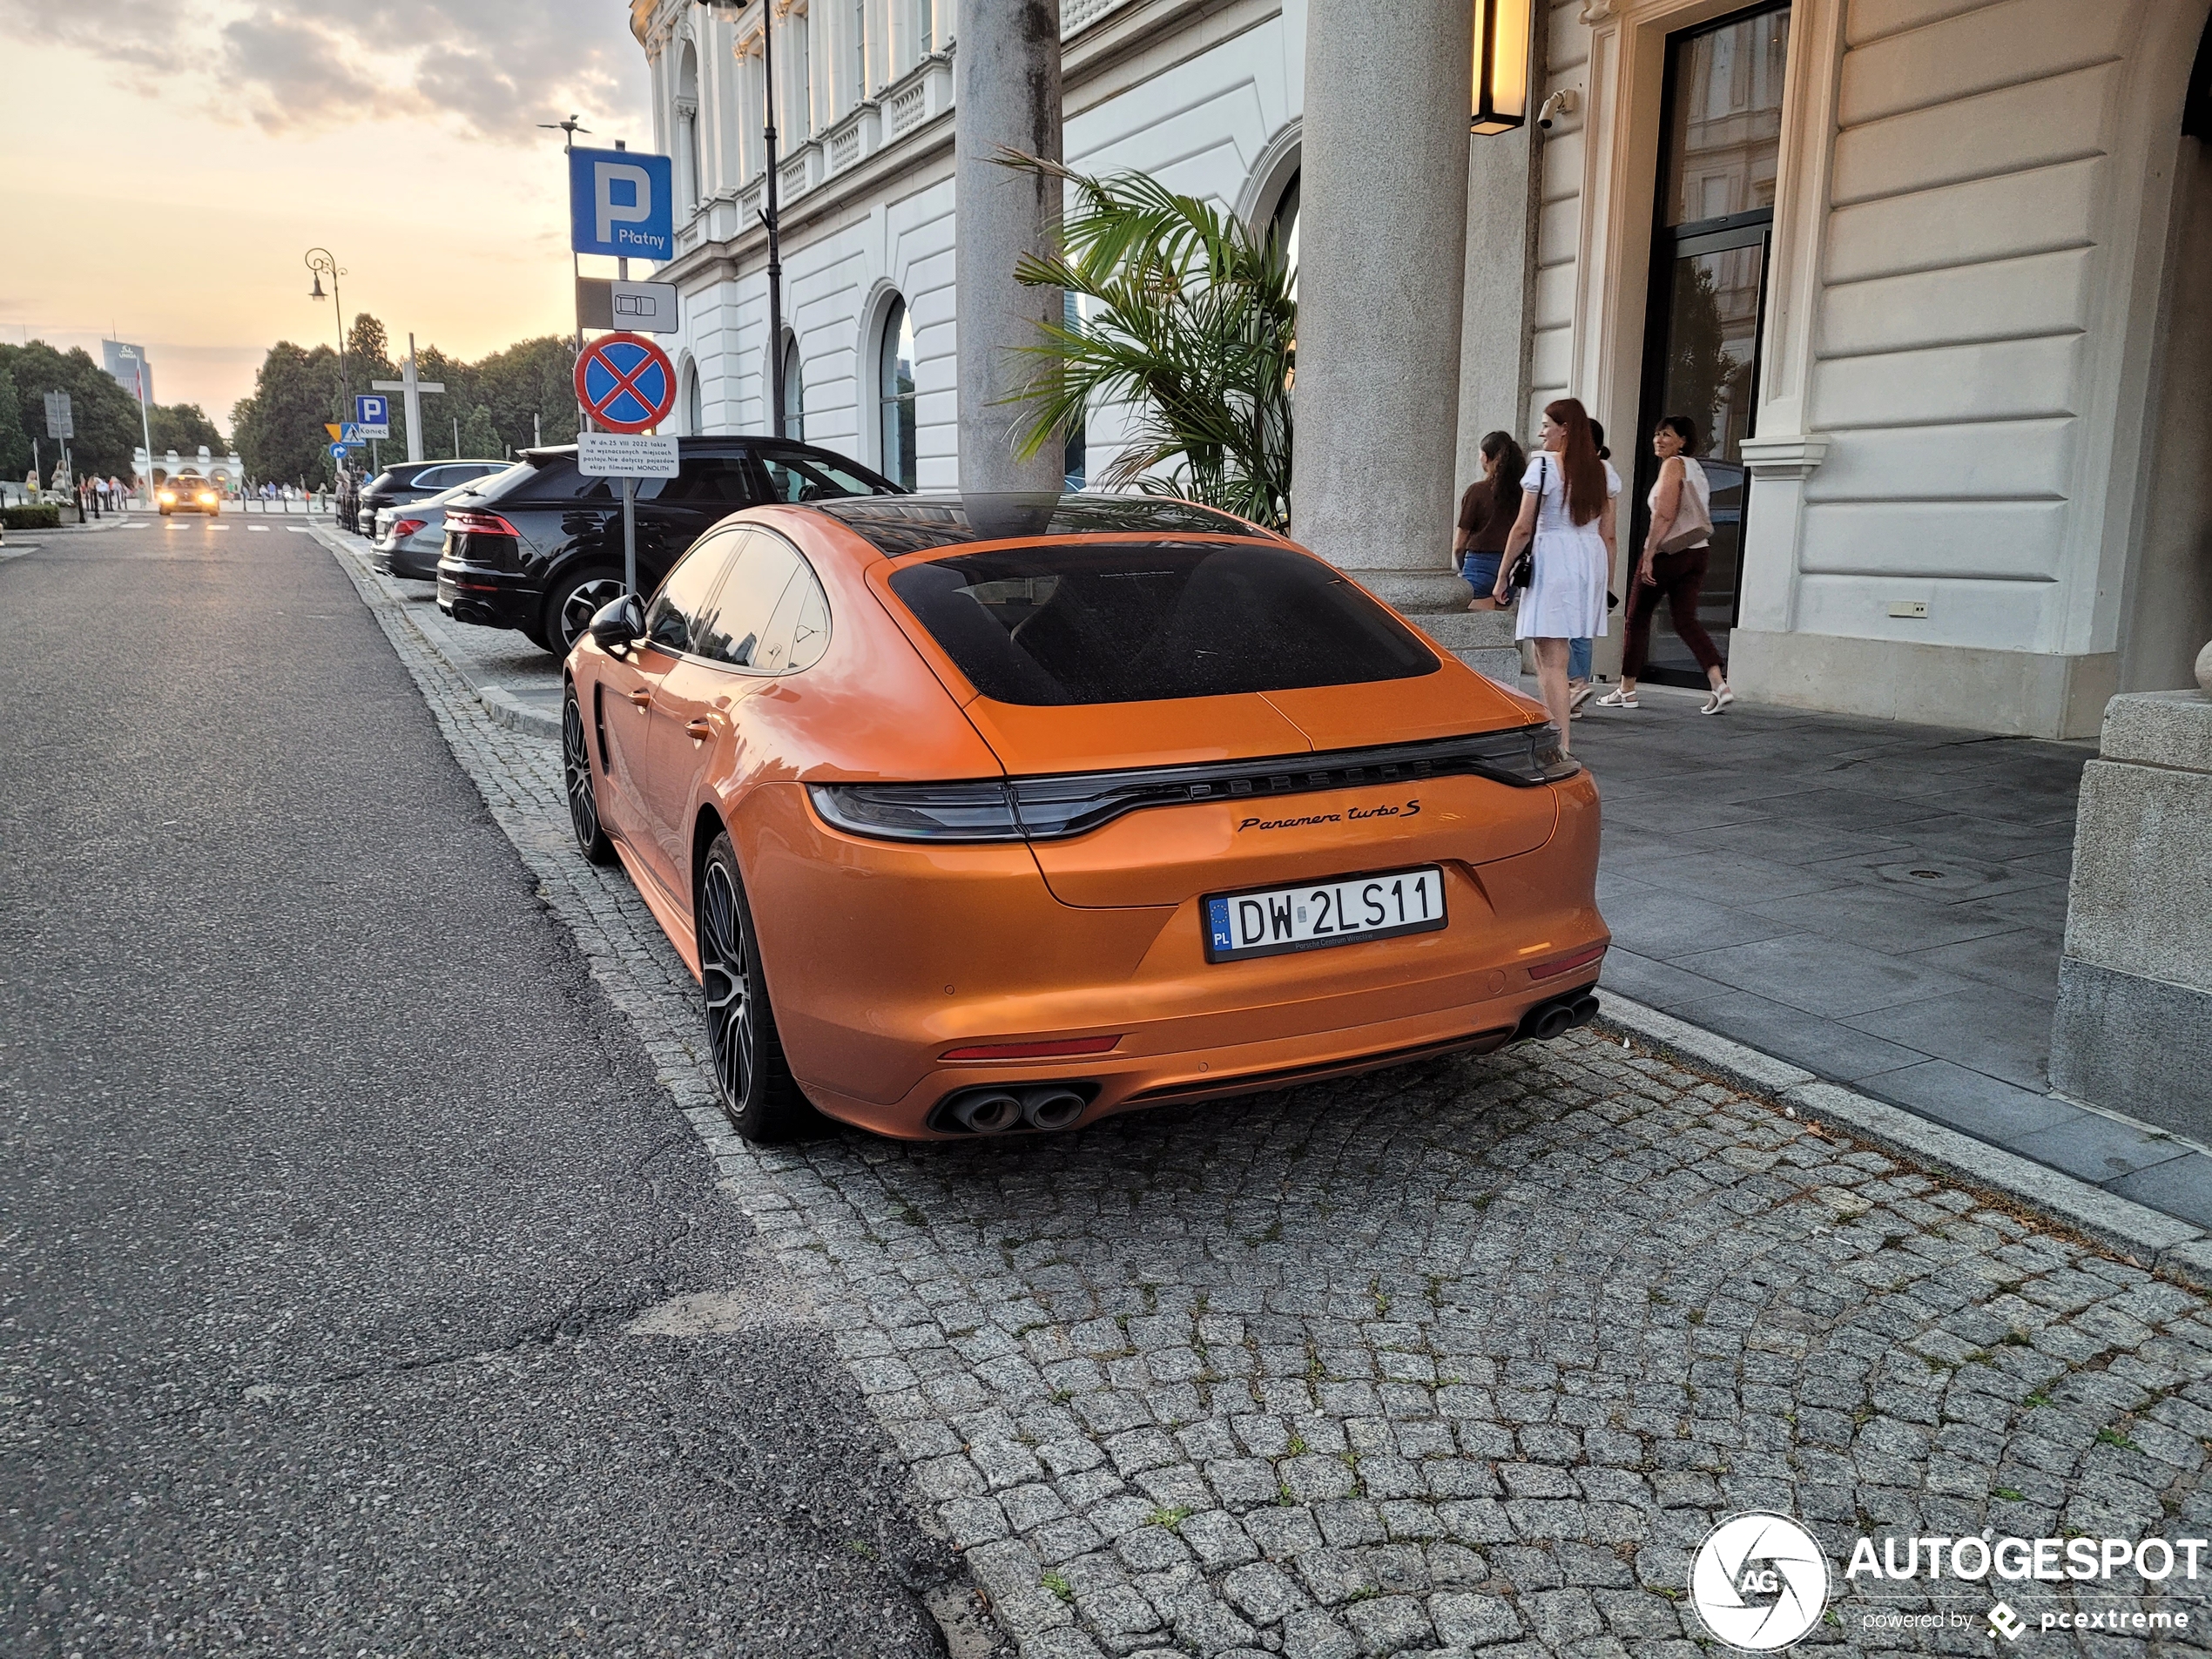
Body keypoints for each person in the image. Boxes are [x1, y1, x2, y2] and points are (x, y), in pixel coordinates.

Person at [1493, 398, 1617, 752]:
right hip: (1588, 560)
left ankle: (1559, 742)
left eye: (1547, 424)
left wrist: (1503, 577)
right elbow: (1609, 534)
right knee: (1554, 656)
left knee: (1550, 659)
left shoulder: (1544, 468)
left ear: (1565, 429)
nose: (1541, 431)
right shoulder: (1604, 472)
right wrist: (1605, 582)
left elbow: (1521, 529)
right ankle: (1557, 737)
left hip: (1554, 559)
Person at [1597, 414, 1732, 715]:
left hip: (1669, 553)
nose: (1659, 440)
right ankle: (1719, 685)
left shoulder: (1673, 465)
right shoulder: (1697, 468)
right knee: (1685, 620)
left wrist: (1649, 554)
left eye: (1667, 435)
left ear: (1683, 441)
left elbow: (1665, 514)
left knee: (1637, 617)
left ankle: (1627, 689)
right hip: (1698, 551)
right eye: (1657, 434)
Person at [1453, 431, 1526, 610]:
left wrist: (1462, 565)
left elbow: (1460, 540)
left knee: (1476, 630)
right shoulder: (1524, 493)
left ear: (1485, 457)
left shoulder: (1477, 491)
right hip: (1511, 566)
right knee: (1501, 631)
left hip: (1479, 565)